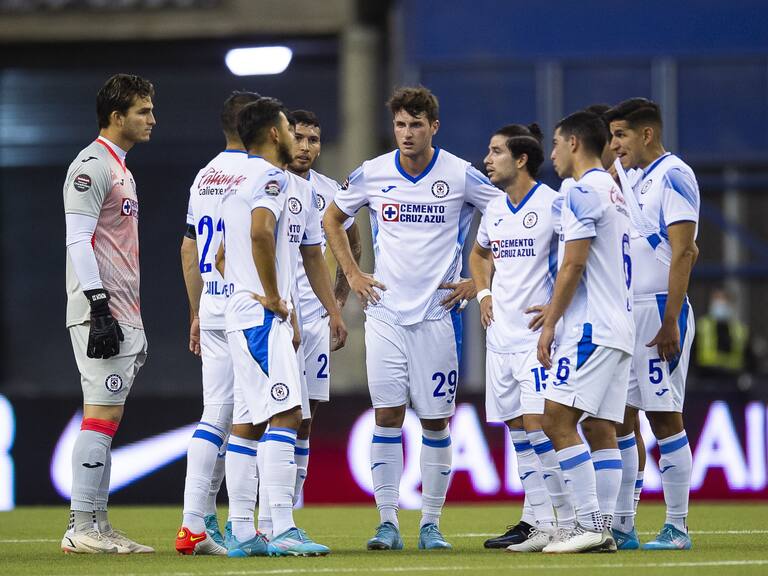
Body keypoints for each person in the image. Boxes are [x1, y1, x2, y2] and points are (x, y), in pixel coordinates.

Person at [324, 86, 501, 551]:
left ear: (433, 127)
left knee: (436, 423)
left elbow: (508, 216)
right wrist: (354, 275)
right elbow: (331, 220)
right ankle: (386, 522)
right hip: (384, 315)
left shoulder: (460, 174)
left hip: (437, 317)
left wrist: (478, 281)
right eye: (401, 124)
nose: (407, 133)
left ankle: (431, 524)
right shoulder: (374, 173)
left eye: (416, 124)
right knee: (385, 416)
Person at [217, 97, 346, 557]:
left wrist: (332, 310)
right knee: (287, 414)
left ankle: (241, 532)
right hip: (261, 318)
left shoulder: (261, 183)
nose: (298, 137)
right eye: (292, 129)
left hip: (251, 316)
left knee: (249, 422)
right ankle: (282, 526)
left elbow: (310, 253)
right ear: (275, 133)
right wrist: (274, 298)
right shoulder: (270, 178)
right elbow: (258, 233)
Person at [61, 73, 156, 554]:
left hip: (123, 310)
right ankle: (82, 528)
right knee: (99, 416)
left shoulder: (121, 167)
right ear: (117, 117)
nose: (152, 119)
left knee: (108, 417)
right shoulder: (92, 165)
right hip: (103, 311)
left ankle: (97, 525)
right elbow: (77, 238)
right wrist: (99, 305)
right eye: (143, 110)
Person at [470, 123, 575, 552]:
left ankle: (566, 521)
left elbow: (575, 263)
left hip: (539, 340)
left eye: (495, 152)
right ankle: (537, 521)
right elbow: (479, 255)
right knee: (518, 431)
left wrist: (555, 310)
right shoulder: (494, 208)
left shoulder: (554, 205)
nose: (487, 160)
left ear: (521, 159)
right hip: (500, 339)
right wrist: (483, 292)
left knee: (541, 428)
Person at [536, 111, 634, 553]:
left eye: (556, 143)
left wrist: (552, 321)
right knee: (599, 427)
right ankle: (604, 526)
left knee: (555, 418)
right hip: (620, 326)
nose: (552, 153)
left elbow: (574, 262)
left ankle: (589, 523)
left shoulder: (578, 191)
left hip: (591, 327)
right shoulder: (615, 191)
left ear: (574, 143)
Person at [606, 98, 700, 550]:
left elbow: (684, 250)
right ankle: (623, 524)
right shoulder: (625, 177)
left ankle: (678, 526)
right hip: (625, 311)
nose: (613, 145)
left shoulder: (674, 175)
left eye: (620, 135)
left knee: (665, 419)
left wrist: (670, 321)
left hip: (661, 307)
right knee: (621, 418)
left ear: (646, 134)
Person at [175, 90, 260, 556]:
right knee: (245, 419)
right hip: (246, 308)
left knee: (217, 415)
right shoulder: (259, 174)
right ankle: (236, 524)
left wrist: (195, 310)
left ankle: (201, 522)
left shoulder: (204, 175)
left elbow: (190, 248)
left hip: (211, 304)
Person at [286, 109, 361, 505]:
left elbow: (354, 245)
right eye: (298, 137)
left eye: (313, 140)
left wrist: (339, 302)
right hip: (276, 316)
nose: (305, 146)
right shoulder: (268, 183)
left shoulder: (331, 189)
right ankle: (256, 509)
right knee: (269, 414)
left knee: (305, 418)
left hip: (315, 320)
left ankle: (290, 509)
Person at [695, 289, 749, 379]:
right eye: (716, 300)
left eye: (723, 301)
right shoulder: (702, 326)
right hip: (705, 378)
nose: (719, 305)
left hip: (733, 378)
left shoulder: (739, 330)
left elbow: (748, 357)